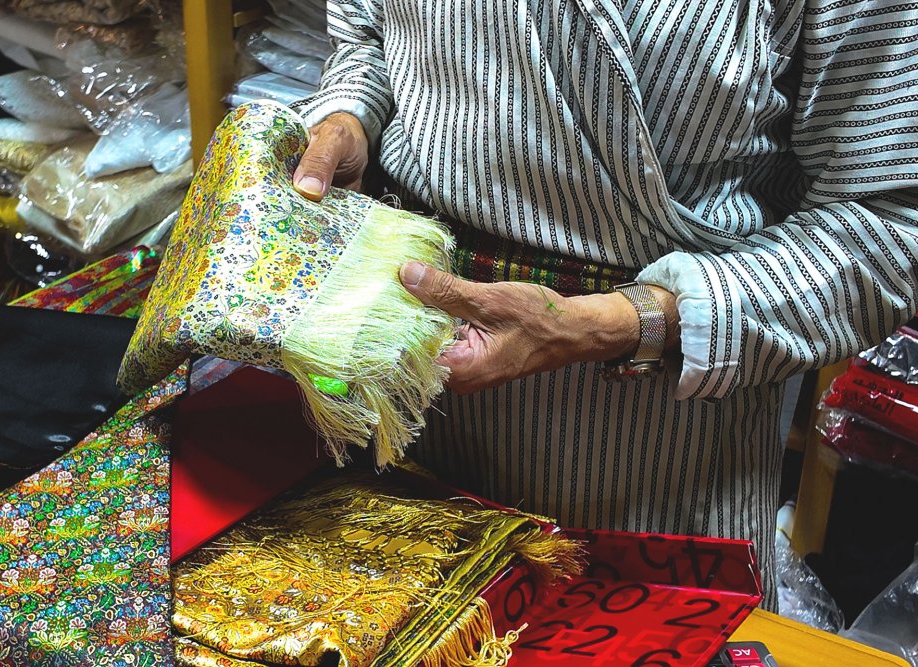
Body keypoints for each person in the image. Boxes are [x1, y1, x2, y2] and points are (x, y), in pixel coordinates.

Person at [288, 0, 918, 608]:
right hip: (409, 406)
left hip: (659, 452)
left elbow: (887, 225)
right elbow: (370, 36)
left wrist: (622, 322)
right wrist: (352, 114)